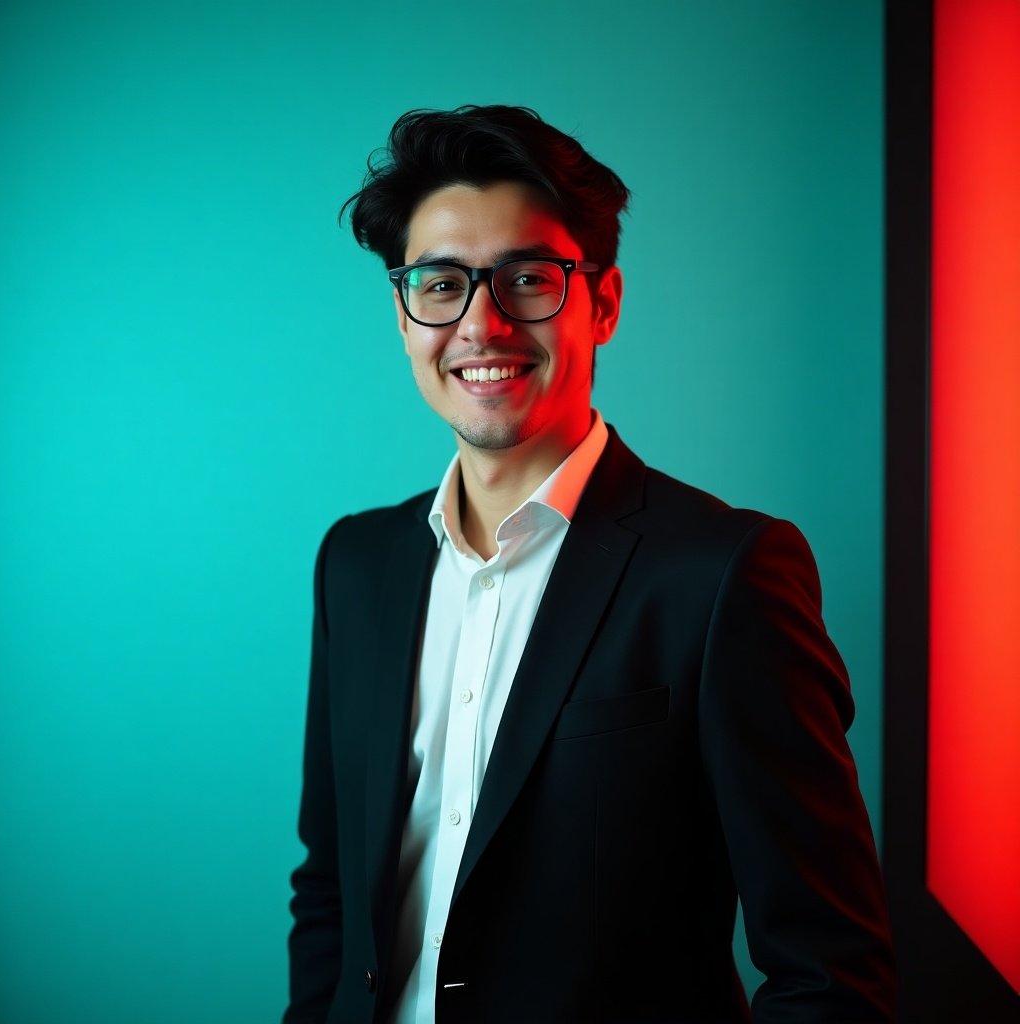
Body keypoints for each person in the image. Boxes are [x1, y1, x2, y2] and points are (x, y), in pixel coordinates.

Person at [283, 104, 897, 1024]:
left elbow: (831, 971)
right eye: (442, 284)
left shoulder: (724, 575)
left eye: (527, 278)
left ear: (602, 302)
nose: (482, 325)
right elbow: (329, 890)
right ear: (405, 315)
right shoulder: (357, 565)